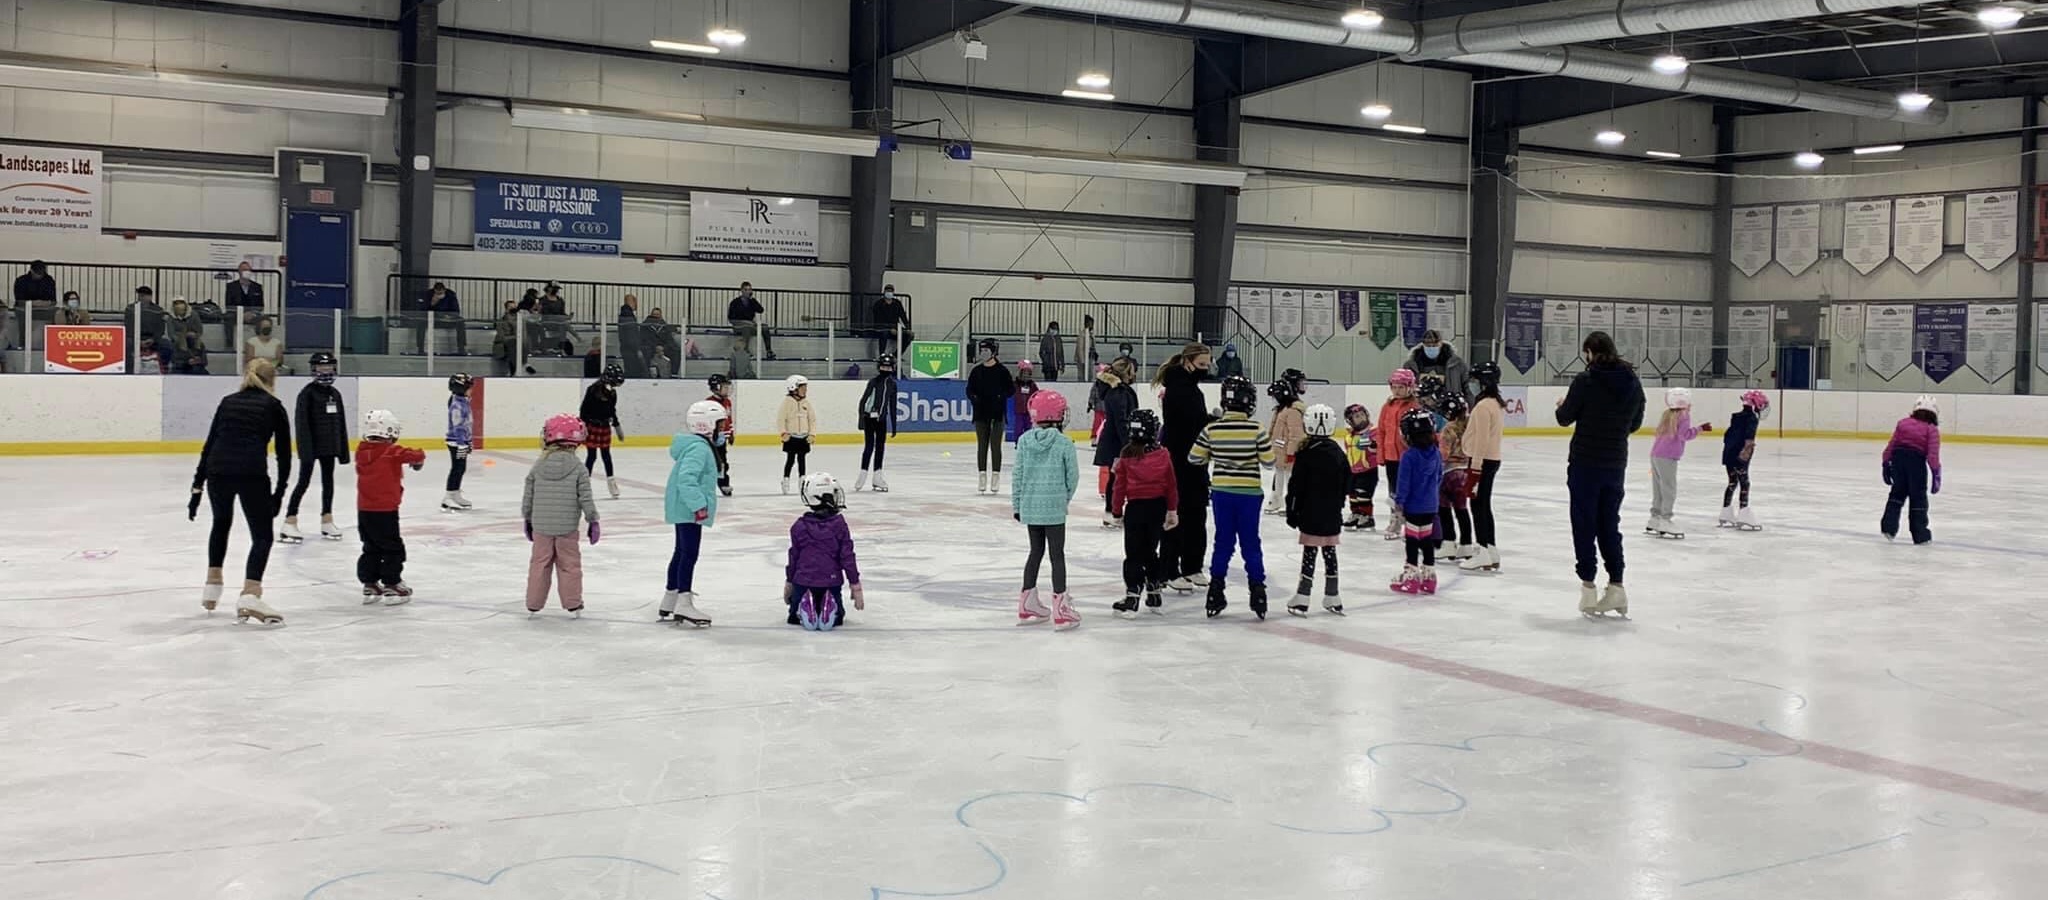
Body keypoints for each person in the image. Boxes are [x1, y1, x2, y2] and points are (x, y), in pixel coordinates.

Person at [189, 358, 292, 624]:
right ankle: (250, 592)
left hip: (218, 471)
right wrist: (279, 493)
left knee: (220, 524)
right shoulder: (274, 406)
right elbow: (284, 456)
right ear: (272, 380)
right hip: (251, 473)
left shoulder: (227, 401)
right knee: (262, 536)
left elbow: (210, 443)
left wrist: (197, 485)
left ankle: (212, 585)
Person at [1555, 331, 1645, 617]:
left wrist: (1561, 405)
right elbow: (1636, 422)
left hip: (1585, 462)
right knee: (1609, 523)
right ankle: (1617, 585)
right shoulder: (1632, 382)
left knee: (1584, 523)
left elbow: (1564, 417)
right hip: (1615, 462)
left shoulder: (1586, 380)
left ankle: (1588, 587)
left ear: (1590, 353)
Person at [1190, 374, 1275, 619]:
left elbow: (1194, 458)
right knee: (1251, 543)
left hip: (1222, 493)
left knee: (1223, 542)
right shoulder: (1256, 429)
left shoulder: (1212, 429)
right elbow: (1269, 462)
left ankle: (1216, 590)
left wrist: (1217, 456)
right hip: (1249, 494)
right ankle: (1257, 591)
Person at [1012, 390, 1081, 630]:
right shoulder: (1064, 443)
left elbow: (1018, 475)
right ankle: (1060, 608)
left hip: (1031, 506)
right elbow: (1072, 476)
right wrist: (1064, 498)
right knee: (1057, 555)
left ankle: (1026, 602)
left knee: (1035, 552)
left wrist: (1017, 504)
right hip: (1054, 507)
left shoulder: (1023, 441)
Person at [524, 414, 601, 616]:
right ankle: (573, 603)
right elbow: (586, 497)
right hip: (566, 528)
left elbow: (528, 494)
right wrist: (593, 520)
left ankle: (533, 603)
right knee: (569, 565)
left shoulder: (538, 465)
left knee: (539, 564)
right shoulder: (578, 468)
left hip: (541, 527)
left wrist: (528, 518)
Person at [660, 400, 727, 627]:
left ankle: (670, 598)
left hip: (683, 506)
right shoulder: (699, 448)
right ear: (706, 425)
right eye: (719, 424)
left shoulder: (697, 445)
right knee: (689, 554)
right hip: (688, 508)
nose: (723, 429)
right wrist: (699, 506)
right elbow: (686, 479)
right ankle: (684, 602)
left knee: (680, 552)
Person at [1154, 342, 1214, 592]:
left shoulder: (1189, 386)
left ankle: (1192, 566)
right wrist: (1217, 421)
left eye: (1208, 365)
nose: (1206, 369)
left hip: (1195, 459)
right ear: (1188, 362)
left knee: (1196, 513)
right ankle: (1169, 569)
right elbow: (1191, 422)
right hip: (1179, 460)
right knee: (1177, 513)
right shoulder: (1179, 388)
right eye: (1201, 365)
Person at [1109, 409, 1178, 617]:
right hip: (1157, 508)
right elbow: (1171, 486)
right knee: (1150, 551)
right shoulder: (1163, 454)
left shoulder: (1126, 455)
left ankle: (1132, 595)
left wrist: (1116, 511)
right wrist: (1172, 510)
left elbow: (1118, 487)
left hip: (1136, 509)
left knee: (1134, 553)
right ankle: (1154, 591)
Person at [352, 410, 425, 603]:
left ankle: (369, 583)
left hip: (364, 510)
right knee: (393, 547)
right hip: (385, 511)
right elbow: (415, 454)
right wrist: (419, 459)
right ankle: (392, 583)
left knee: (371, 546)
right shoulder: (391, 452)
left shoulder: (361, 451)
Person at [1283, 404, 1349, 616]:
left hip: (1310, 513)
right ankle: (1333, 595)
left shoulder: (1305, 453)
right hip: (1331, 514)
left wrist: (1292, 511)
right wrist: (1338, 502)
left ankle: (1303, 596)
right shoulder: (1337, 452)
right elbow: (1347, 482)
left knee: (1310, 553)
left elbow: (1295, 487)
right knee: (1330, 552)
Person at [279, 352, 349, 545]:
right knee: (303, 482)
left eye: (328, 367)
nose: (325, 371)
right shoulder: (307, 394)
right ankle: (290, 520)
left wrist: (342, 451)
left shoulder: (335, 394)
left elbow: (340, 424)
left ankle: (327, 518)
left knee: (329, 483)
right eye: (321, 368)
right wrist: (305, 452)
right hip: (311, 448)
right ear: (313, 370)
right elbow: (302, 425)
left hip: (329, 447)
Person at [786, 472, 863, 631]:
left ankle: (804, 605)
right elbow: (847, 558)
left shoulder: (799, 526)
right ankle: (829, 606)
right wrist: (855, 585)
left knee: (793, 616)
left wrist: (789, 582)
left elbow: (793, 557)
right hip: (831, 581)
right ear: (823, 496)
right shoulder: (839, 525)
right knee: (839, 616)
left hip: (803, 581)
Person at [1390, 408, 1444, 595]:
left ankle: (1411, 576)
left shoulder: (1409, 456)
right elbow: (1439, 477)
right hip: (1430, 505)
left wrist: (1399, 503)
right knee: (1426, 539)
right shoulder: (1436, 453)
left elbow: (1403, 483)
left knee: (1412, 540)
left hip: (1414, 506)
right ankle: (1429, 577)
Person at [1645, 387, 1712, 540]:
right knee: (1669, 489)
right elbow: (1684, 435)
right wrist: (1700, 428)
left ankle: (1655, 518)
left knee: (1659, 488)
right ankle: (1665, 519)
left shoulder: (1667, 414)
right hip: (1668, 457)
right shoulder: (1684, 415)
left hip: (1656, 454)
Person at [1460, 363, 1507, 573]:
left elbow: (1481, 440)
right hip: (1491, 459)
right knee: (1483, 505)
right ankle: (1491, 548)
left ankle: (1483, 551)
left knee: (1478, 506)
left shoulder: (1482, 407)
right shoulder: (1494, 404)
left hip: (1482, 460)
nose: (1472, 385)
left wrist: (1475, 468)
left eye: (1475, 381)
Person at [1881, 396, 1943, 544]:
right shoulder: (1931, 429)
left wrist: (1886, 463)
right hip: (1916, 463)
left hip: (1898, 460)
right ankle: (1920, 535)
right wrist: (1936, 474)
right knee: (1918, 499)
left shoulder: (1903, 424)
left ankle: (1888, 527)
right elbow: (1932, 455)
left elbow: (1892, 444)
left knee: (1897, 494)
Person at [1091, 357, 1139, 528]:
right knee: (1116, 479)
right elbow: (1121, 421)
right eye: (1132, 371)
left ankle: (1113, 512)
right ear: (1126, 372)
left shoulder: (1118, 390)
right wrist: (1129, 445)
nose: (1134, 374)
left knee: (1116, 478)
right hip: (1117, 444)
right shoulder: (1118, 392)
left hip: (1116, 442)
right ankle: (1113, 512)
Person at [1375, 370, 1422, 541]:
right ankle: (1395, 519)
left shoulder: (1415, 406)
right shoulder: (1387, 406)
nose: (1396, 391)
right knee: (1393, 491)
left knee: (1409, 490)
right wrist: (1381, 454)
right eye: (1394, 387)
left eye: (1400, 387)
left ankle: (1411, 522)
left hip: (1408, 457)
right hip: (1391, 457)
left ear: (1410, 387)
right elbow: (1381, 431)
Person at [967, 338, 1014, 494]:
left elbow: (1011, 390)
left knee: (995, 445)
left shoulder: (1002, 371)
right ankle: (982, 475)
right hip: (981, 414)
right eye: (981, 350)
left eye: (986, 350)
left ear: (993, 352)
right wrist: (974, 399)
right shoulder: (976, 371)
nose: (983, 353)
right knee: (982, 445)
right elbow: (969, 390)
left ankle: (995, 475)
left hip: (997, 414)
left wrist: (1000, 396)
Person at [1720, 390, 1769, 532]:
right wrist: (1745, 453)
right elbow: (1749, 438)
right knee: (1745, 483)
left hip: (1729, 453)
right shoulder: (1752, 418)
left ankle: (1726, 513)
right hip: (1740, 454)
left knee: (1732, 482)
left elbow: (1727, 435)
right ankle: (1744, 513)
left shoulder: (1736, 417)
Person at [1436, 392, 1475, 561]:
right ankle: (1466, 544)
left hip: (1449, 473)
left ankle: (1449, 542)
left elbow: (1443, 454)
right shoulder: (1470, 426)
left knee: (1444, 509)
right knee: (1462, 509)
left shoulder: (1448, 430)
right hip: (1465, 472)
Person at [581, 364, 626, 499]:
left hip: (605, 426)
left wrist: (617, 426)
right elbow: (584, 410)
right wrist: (583, 426)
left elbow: (612, 410)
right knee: (592, 456)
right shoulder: (592, 390)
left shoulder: (612, 393)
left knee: (606, 456)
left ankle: (611, 482)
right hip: (592, 426)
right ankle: (585, 485)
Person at [856, 353, 899, 492]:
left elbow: (892, 405)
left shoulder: (893, 384)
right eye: (883, 366)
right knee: (869, 446)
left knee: (880, 447)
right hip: (870, 419)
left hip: (882, 420)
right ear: (879, 367)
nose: (885, 369)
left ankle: (877, 475)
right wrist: (861, 419)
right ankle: (862, 473)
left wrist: (894, 424)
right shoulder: (873, 382)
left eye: (888, 367)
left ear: (893, 368)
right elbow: (863, 401)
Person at [1265, 377, 1306, 515]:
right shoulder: (1280, 410)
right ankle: (1277, 499)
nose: (1273, 399)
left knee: (1290, 478)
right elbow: (1273, 430)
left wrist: (1291, 453)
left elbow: (1296, 434)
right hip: (1278, 452)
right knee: (1279, 476)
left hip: (1288, 453)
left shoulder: (1293, 410)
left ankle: (1289, 502)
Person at [1340, 404, 1380, 532]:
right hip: (1353, 470)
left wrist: (1373, 446)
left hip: (1368, 470)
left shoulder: (1372, 433)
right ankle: (1356, 513)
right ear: (1350, 421)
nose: (1361, 418)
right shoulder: (1349, 436)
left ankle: (1367, 516)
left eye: (1362, 415)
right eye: (1357, 417)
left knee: (1363, 494)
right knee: (1352, 493)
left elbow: (1376, 448)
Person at [1402, 330, 1471, 400]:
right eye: (1428, 345)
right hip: (1420, 405)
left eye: (1435, 345)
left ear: (1441, 343)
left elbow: (1467, 388)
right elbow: (1403, 388)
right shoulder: (1411, 366)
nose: (1431, 347)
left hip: (1449, 405)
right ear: (1423, 344)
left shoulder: (1456, 364)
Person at [777, 374, 816, 493]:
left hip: (803, 436)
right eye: (802, 387)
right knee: (790, 459)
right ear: (793, 388)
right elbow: (781, 419)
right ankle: (786, 479)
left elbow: (812, 419)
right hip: (791, 437)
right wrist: (783, 432)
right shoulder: (787, 402)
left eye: (806, 388)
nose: (805, 390)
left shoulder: (806, 403)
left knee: (802, 459)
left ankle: (802, 480)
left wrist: (812, 434)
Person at [444, 373, 475, 511]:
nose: (471, 390)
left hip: (461, 442)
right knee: (457, 468)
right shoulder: (457, 405)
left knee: (461, 468)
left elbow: (467, 424)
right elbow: (458, 426)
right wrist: (462, 443)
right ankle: (448, 497)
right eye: (469, 387)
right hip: (456, 443)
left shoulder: (463, 402)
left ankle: (455, 493)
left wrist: (468, 441)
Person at [408, 282, 464, 355]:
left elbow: (456, 310)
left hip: (447, 320)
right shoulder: (428, 294)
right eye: (437, 293)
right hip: (432, 319)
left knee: (461, 322)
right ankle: (420, 348)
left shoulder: (450, 295)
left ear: (444, 290)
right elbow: (422, 310)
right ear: (434, 291)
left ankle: (461, 348)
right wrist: (432, 303)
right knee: (420, 322)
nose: (439, 295)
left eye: (441, 293)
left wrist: (449, 315)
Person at [727, 282, 766, 377]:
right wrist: (745, 322)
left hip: (750, 324)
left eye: (749, 290)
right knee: (747, 328)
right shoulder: (735, 302)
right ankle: (746, 349)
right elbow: (731, 318)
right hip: (739, 326)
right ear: (741, 290)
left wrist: (753, 300)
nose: (748, 292)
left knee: (765, 328)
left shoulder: (752, 301)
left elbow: (761, 310)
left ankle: (769, 350)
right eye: (746, 290)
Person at [706, 373, 735, 496]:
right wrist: (712, 434)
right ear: (716, 387)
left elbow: (728, 419)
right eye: (724, 387)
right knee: (710, 462)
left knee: (723, 462)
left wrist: (731, 433)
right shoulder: (708, 403)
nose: (727, 389)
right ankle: (707, 484)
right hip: (712, 438)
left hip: (722, 438)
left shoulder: (727, 402)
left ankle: (723, 483)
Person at [871, 285, 910, 359]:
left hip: (895, 328)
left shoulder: (897, 303)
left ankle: (896, 355)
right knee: (884, 333)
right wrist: (890, 328)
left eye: (891, 291)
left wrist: (908, 328)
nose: (889, 293)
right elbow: (878, 320)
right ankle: (882, 355)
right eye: (887, 291)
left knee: (909, 336)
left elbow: (903, 316)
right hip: (882, 328)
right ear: (884, 292)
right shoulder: (878, 304)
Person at [166, 297, 205, 373]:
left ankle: (199, 361)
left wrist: (194, 334)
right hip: (178, 339)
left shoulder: (194, 315)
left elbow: (199, 330)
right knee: (180, 345)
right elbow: (171, 334)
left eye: (180, 303)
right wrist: (181, 336)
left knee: (200, 344)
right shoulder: (170, 318)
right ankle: (186, 361)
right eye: (176, 303)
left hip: (193, 337)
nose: (178, 305)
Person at [617, 293, 644, 377]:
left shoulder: (623, 315)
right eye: (635, 302)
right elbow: (632, 335)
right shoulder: (628, 316)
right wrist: (637, 349)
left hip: (626, 348)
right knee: (633, 371)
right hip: (631, 349)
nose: (636, 304)